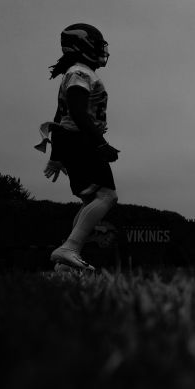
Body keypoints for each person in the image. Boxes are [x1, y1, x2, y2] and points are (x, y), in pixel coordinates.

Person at [36, 23, 119, 272]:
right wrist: (100, 142)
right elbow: (76, 112)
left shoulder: (78, 72)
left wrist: (56, 155)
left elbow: (60, 117)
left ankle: (66, 266)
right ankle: (69, 248)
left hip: (73, 141)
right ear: (81, 46)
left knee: (92, 199)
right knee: (107, 196)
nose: (100, 49)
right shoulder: (80, 73)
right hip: (81, 140)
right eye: (95, 44)